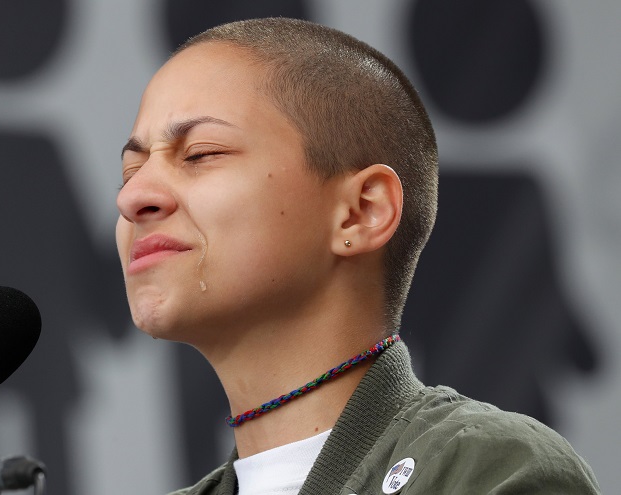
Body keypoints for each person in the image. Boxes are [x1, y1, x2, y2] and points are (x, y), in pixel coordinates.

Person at [115, 17, 600, 495]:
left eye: (200, 153)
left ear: (361, 212)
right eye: (130, 171)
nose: (133, 197)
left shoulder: (488, 471)